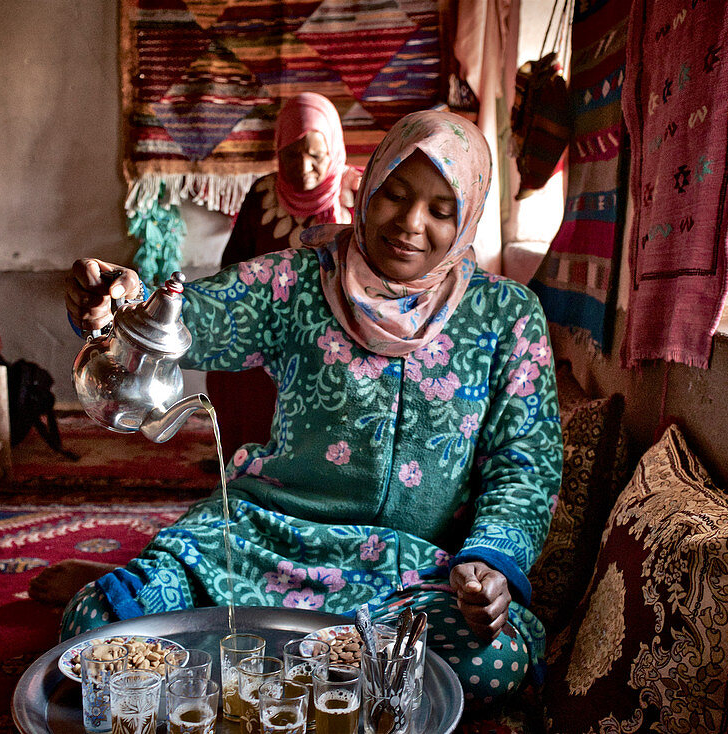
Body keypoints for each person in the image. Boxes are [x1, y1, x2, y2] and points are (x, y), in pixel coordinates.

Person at [51, 110, 562, 703]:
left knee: (488, 664)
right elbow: (192, 317)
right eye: (394, 194)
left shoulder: (507, 317)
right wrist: (121, 298)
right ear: (367, 188)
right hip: (257, 543)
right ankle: (301, 675)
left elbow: (524, 461)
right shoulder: (299, 280)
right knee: (95, 626)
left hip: (410, 572)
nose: (410, 224)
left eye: (440, 210)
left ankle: (246, 673)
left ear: (468, 215)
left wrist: (492, 564)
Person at [209, 92, 361, 457]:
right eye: (291, 153)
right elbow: (232, 267)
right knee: (229, 369)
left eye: (315, 154)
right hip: (267, 328)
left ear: (334, 148)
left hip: (339, 328)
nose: (304, 165)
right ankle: (246, 465)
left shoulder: (357, 196)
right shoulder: (263, 194)